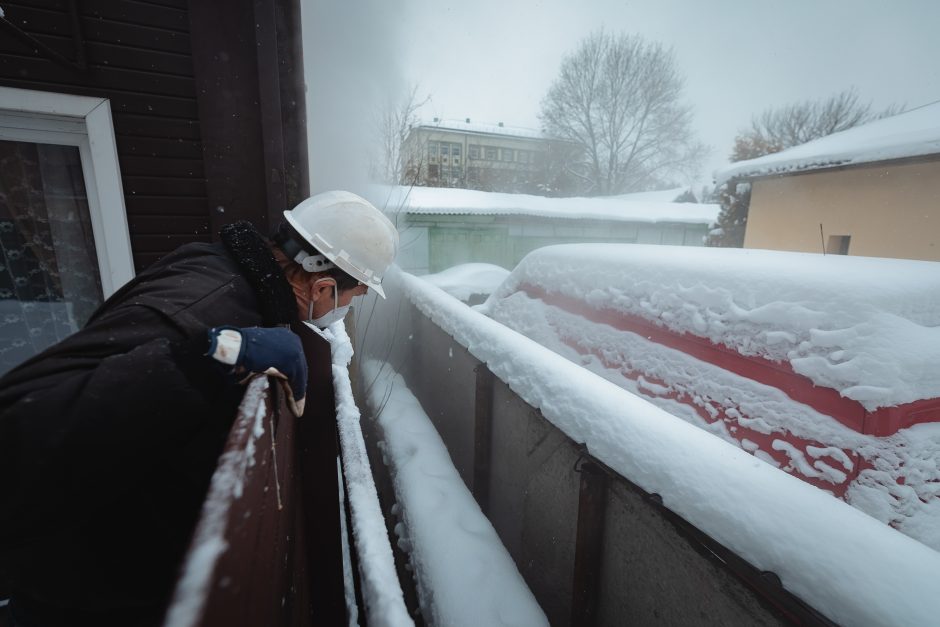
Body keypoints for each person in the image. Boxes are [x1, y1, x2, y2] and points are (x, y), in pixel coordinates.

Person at [0, 190, 398, 626]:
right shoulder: (202, 305)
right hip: (79, 596)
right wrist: (211, 358)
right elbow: (18, 432)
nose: (344, 309)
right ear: (322, 287)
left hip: (110, 571)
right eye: (352, 296)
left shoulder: (224, 272)